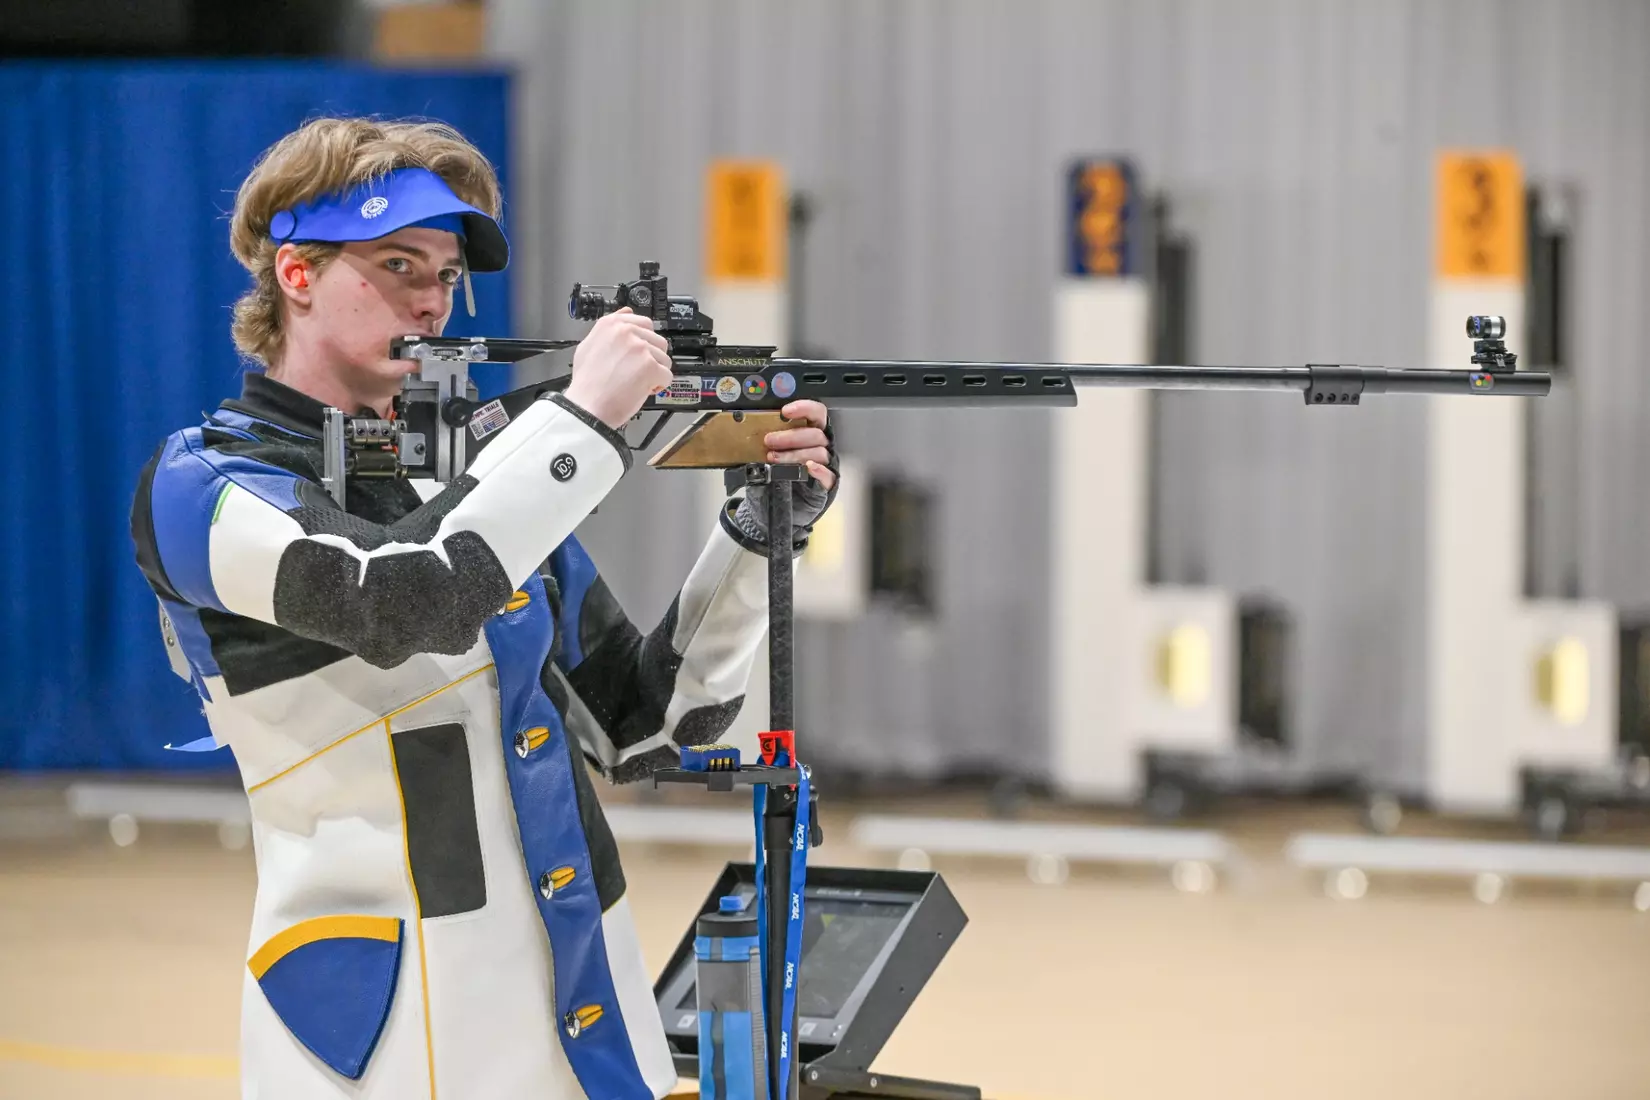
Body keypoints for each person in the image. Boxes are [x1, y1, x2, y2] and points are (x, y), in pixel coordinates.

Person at [128, 116, 838, 1100]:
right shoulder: (203, 481)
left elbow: (646, 727)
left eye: (446, 273)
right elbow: (400, 600)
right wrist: (584, 421)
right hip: (386, 1036)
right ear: (296, 275)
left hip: (583, 1023)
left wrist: (757, 535)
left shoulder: (477, 488)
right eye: (397, 263)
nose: (432, 299)